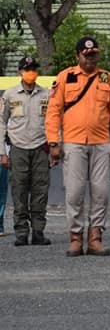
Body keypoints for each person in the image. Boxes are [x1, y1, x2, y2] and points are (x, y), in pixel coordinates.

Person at [45, 36, 110, 257]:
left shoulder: (107, 78)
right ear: (78, 56)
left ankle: (95, 237)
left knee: (101, 192)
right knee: (75, 193)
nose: (90, 59)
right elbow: (53, 111)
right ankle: (75, 237)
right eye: (86, 56)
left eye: (94, 55)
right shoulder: (65, 77)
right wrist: (53, 142)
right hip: (73, 142)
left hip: (102, 142)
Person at [0, 56, 51, 246]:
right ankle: (21, 231)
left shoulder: (46, 95)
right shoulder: (10, 95)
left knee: (40, 191)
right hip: (18, 148)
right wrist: (2, 152)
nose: (31, 72)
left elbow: (54, 122)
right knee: (19, 190)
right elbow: (1, 122)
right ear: (20, 72)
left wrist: (55, 146)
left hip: (40, 147)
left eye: (33, 69)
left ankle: (38, 231)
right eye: (27, 69)